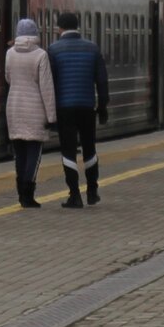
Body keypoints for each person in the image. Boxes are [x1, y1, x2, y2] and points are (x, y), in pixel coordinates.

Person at [47, 11, 109, 209]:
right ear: (78, 26)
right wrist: (102, 106)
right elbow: (102, 81)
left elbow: (50, 83)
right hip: (86, 107)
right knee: (90, 149)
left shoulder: (53, 50)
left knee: (68, 151)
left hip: (64, 108)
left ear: (60, 28)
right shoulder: (92, 49)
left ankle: (75, 195)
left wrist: (50, 112)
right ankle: (92, 191)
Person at [4, 18, 57, 209]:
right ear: (35, 34)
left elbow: (8, 77)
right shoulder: (41, 55)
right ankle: (28, 195)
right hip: (35, 108)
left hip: (14, 106)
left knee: (19, 154)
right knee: (34, 154)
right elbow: (47, 88)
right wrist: (51, 117)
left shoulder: (10, 53)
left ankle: (20, 193)